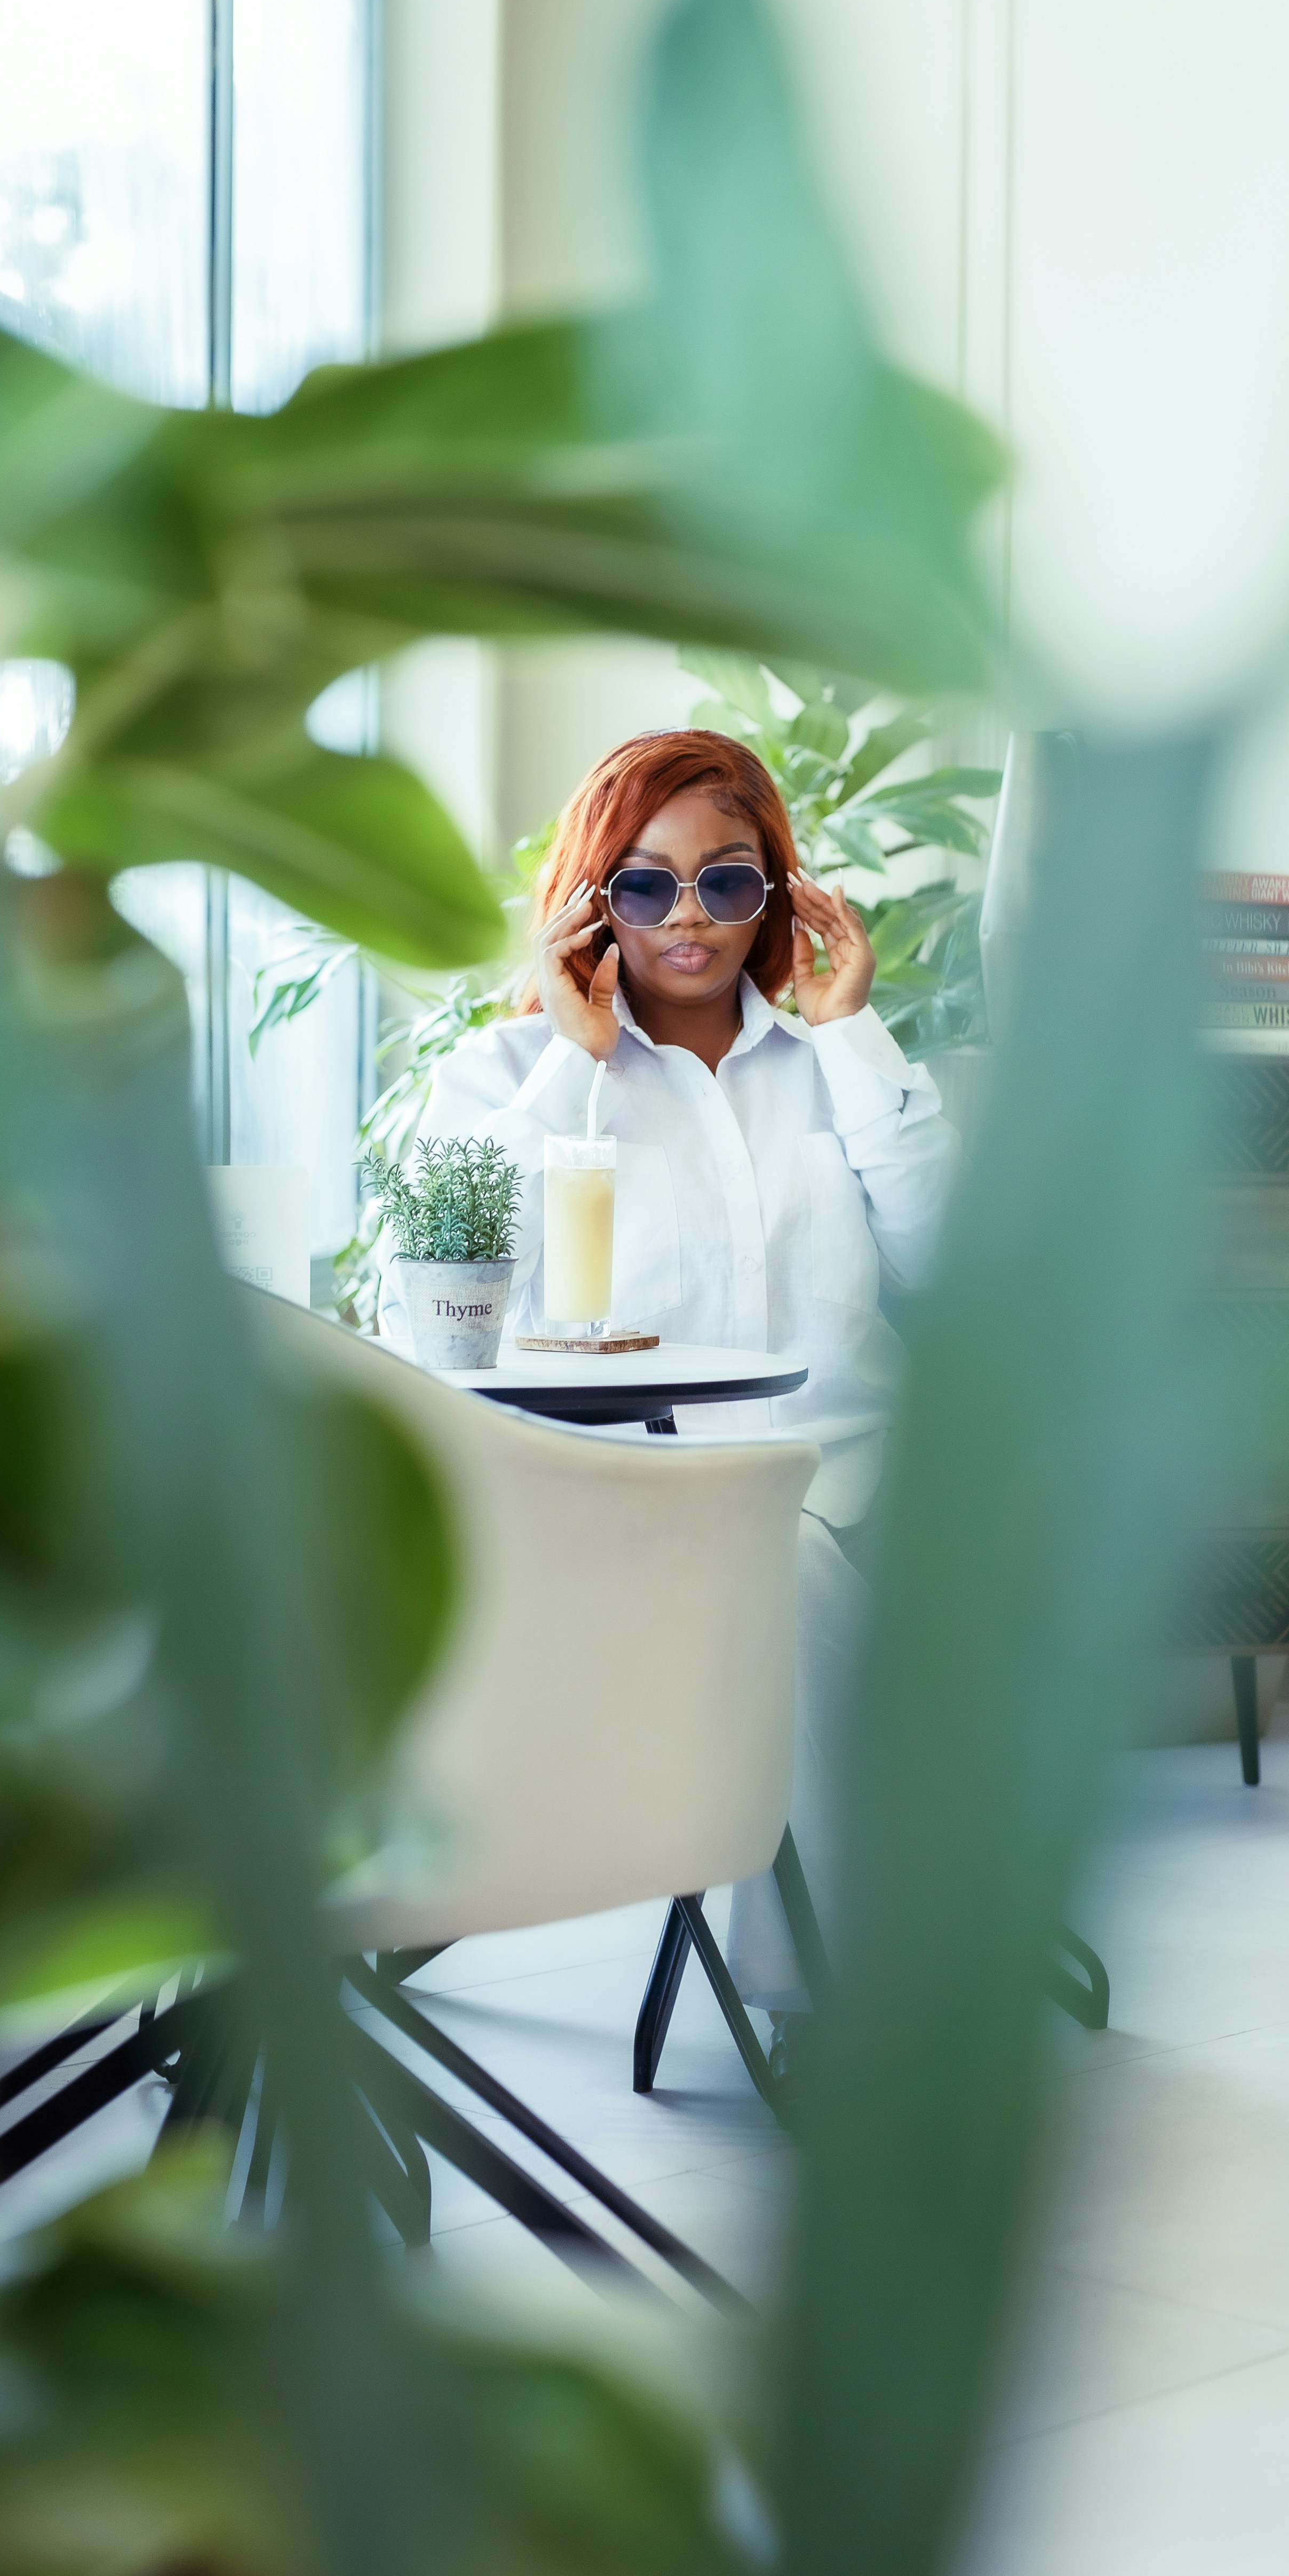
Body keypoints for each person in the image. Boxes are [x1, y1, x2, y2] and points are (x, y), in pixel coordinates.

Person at [405, 727, 958, 2034]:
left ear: (780, 892)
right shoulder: (499, 1081)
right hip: (611, 1499)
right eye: (646, 885)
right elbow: (438, 1320)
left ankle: (832, 1982)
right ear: (595, 897)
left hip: (856, 1483)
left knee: (791, 1541)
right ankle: (840, 1999)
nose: (690, 918)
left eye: (730, 878)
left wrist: (856, 1036)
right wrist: (568, 1063)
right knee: (770, 1549)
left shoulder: (837, 1067)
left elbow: (956, 1266)